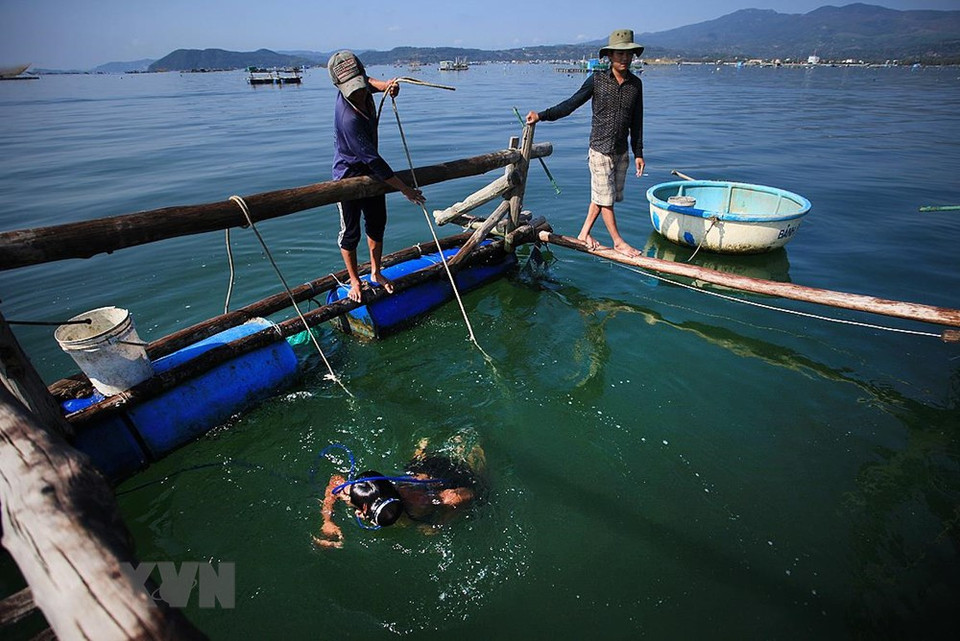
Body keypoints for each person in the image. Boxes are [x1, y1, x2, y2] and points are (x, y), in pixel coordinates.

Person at [526, 29, 646, 258]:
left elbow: (637, 121)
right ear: (609, 55)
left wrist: (638, 152)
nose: (625, 59)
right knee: (606, 198)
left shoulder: (635, 85)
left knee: (602, 197)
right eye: (619, 54)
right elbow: (570, 104)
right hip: (599, 149)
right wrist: (541, 115)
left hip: (621, 152)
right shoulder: (598, 80)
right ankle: (619, 241)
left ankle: (583, 233)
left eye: (628, 54)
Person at [328, 50, 426, 303]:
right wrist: (406, 189)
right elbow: (375, 161)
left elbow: (368, 82)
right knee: (350, 232)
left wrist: (386, 86)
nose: (359, 93)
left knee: (377, 223)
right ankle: (354, 279)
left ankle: (376, 272)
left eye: (360, 85)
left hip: (371, 174)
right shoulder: (348, 118)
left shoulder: (362, 84)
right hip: (349, 176)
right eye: (353, 90)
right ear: (340, 87)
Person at [314, 437, 486, 548]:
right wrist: (327, 520)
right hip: (414, 475)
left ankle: (472, 445)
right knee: (415, 464)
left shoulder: (418, 503)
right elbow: (335, 482)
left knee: (477, 476)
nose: (391, 515)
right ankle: (422, 448)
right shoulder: (353, 494)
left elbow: (465, 494)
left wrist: (439, 524)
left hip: (440, 476)